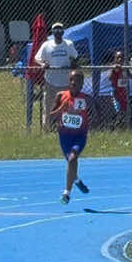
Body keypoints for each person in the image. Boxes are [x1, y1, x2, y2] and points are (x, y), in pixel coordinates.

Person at [48, 67, 91, 204]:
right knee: (71, 162)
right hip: (64, 136)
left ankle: (66, 193)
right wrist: (62, 108)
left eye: (77, 81)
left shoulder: (85, 98)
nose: (73, 83)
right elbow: (51, 116)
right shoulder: (61, 96)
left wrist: (93, 121)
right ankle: (77, 180)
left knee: (72, 159)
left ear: (81, 83)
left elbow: (96, 112)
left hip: (79, 136)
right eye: (71, 80)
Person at [36, 21, 79, 129]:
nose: (58, 32)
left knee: (67, 105)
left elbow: (75, 56)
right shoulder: (46, 45)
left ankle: (67, 127)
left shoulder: (68, 44)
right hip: (51, 82)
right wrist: (43, 63)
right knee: (49, 105)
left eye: (60, 29)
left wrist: (73, 62)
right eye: (56, 29)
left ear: (63, 31)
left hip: (66, 82)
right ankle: (48, 128)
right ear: (52, 32)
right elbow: (37, 58)